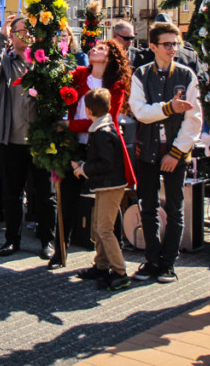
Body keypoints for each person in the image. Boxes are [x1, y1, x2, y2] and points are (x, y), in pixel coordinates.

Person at [128, 20, 202, 284]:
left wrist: (176, 152)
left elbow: (193, 119)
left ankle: (169, 263)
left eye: (175, 43)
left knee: (175, 208)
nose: (173, 49)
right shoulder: (141, 74)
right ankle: (152, 259)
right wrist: (169, 108)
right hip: (146, 150)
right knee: (147, 206)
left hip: (174, 152)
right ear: (153, 46)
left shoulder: (186, 75)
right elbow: (140, 111)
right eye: (167, 44)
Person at [0, 13, 56, 259]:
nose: (25, 35)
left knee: (45, 194)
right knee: (12, 194)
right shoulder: (7, 62)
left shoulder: (44, 61)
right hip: (11, 141)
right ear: (12, 36)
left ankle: (48, 240)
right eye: (20, 31)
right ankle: (11, 240)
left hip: (39, 140)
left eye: (29, 31)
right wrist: (1, 35)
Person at [58, 39, 135, 269]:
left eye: (101, 48)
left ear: (110, 57)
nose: (94, 49)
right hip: (76, 146)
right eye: (94, 47)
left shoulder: (116, 85)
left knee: (106, 203)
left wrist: (68, 125)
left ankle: (114, 255)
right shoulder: (80, 74)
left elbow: (104, 119)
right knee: (67, 198)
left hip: (101, 149)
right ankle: (61, 247)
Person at [72, 87, 130, 291]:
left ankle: (120, 271)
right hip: (107, 185)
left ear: (88, 111)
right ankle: (102, 265)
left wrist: (83, 168)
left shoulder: (101, 132)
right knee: (98, 226)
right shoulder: (103, 127)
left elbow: (106, 163)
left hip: (110, 186)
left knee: (104, 229)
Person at [130, 13, 202, 75]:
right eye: (166, 44)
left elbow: (199, 83)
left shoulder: (190, 56)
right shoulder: (142, 58)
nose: (172, 49)